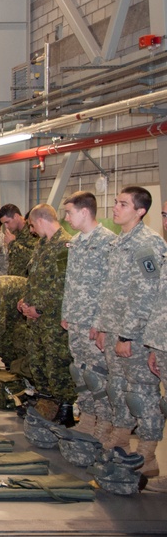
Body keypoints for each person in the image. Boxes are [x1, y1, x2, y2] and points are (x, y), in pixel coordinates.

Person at [94, 186, 167, 465]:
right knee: (118, 386)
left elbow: (147, 294)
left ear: (140, 211)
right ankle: (121, 435)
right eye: (115, 202)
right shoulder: (118, 243)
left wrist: (127, 335)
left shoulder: (147, 244)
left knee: (141, 393)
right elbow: (109, 289)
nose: (115, 208)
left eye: (123, 204)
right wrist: (102, 327)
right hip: (114, 329)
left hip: (133, 333)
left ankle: (148, 453)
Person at [60, 191, 117, 440]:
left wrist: (100, 323)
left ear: (85, 211)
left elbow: (110, 287)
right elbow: (70, 282)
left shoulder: (108, 242)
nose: (66, 217)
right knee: (80, 371)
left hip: (94, 322)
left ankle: (104, 422)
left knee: (98, 374)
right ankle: (87, 417)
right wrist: (66, 313)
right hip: (76, 321)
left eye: (69, 212)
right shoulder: (76, 241)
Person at [19, 204, 74, 426]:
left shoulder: (64, 245)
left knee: (57, 363)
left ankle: (66, 406)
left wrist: (39, 308)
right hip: (36, 319)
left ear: (40, 220)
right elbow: (35, 278)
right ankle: (47, 402)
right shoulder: (42, 244)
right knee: (38, 361)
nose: (31, 230)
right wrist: (25, 300)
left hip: (52, 318)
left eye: (32, 225)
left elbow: (62, 285)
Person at [140, 201, 167, 489]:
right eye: (164, 214)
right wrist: (154, 344)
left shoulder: (151, 245)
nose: (166, 220)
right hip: (161, 341)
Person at [0, 204, 38, 276]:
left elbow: (35, 257)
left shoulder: (33, 230)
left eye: (7, 222)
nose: (6, 226)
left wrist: (12, 244)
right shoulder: (13, 232)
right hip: (15, 280)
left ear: (16, 216)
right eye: (4, 224)